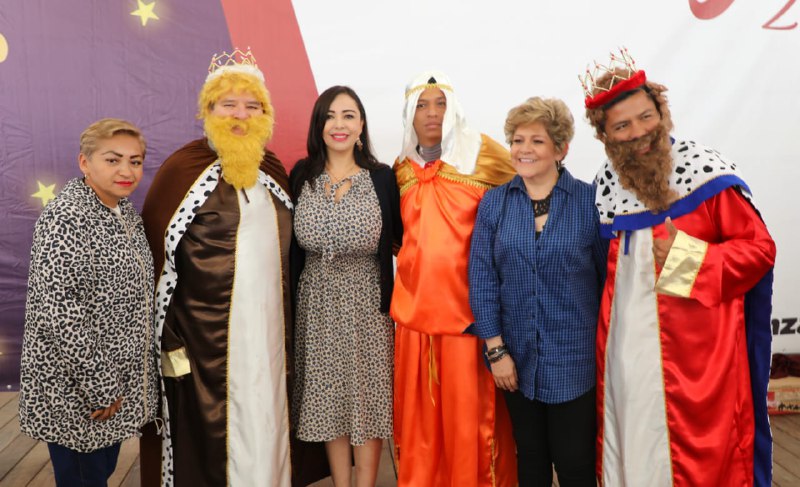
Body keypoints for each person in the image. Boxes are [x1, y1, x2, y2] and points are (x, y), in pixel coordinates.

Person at [580, 49, 777, 486]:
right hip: (624, 363)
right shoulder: (604, 187)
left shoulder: (705, 175)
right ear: (605, 135)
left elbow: (759, 251)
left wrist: (687, 260)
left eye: (646, 117)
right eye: (622, 126)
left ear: (662, 112)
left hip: (697, 364)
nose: (639, 133)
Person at [139, 49, 324, 486]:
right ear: (208, 110)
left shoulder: (274, 170)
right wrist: (166, 337)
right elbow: (153, 262)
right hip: (203, 336)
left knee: (268, 411)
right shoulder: (182, 170)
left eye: (252, 105)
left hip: (271, 329)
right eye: (229, 104)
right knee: (211, 428)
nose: (240, 114)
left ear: (265, 114)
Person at [468, 97, 606, 486]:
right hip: (514, 360)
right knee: (529, 460)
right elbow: (482, 280)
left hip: (575, 361)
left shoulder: (589, 202)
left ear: (561, 149)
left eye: (537, 141)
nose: (523, 149)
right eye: (517, 140)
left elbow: (606, 279)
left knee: (575, 463)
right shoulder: (494, 203)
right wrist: (496, 352)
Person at [391, 70, 518, 486]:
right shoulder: (400, 169)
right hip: (415, 324)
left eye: (441, 103)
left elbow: (527, 193)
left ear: (454, 109)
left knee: (471, 427)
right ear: (409, 115)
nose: (432, 113)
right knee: (421, 429)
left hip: (469, 320)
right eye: (422, 105)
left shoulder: (484, 154)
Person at [19, 118, 158, 486]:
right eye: (112, 160)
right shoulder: (66, 217)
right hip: (78, 390)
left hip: (111, 385)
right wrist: (101, 386)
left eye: (135, 161)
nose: (126, 171)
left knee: (97, 473)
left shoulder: (123, 211)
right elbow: (62, 313)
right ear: (85, 162)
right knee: (82, 479)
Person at [289, 85, 402, 487]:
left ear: (361, 124)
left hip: (367, 304)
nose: (339, 124)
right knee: (328, 402)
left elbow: (404, 240)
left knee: (367, 402)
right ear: (318, 125)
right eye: (330, 116)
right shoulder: (301, 176)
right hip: (315, 304)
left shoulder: (382, 178)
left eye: (348, 115)